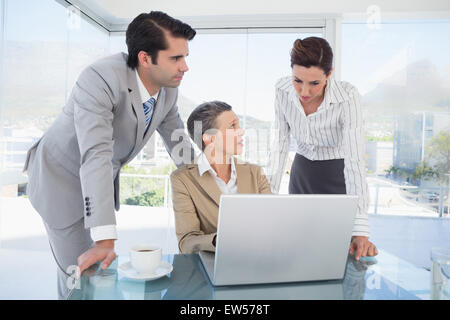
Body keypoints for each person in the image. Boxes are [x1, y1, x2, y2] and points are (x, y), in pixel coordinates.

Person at [22, 11, 196, 299]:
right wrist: (104, 239)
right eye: (176, 58)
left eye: (186, 56)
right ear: (145, 58)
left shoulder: (167, 91)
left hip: (96, 178)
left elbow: (179, 142)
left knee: (94, 276)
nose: (185, 67)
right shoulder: (99, 78)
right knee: (79, 276)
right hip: (60, 180)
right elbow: (96, 153)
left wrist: (211, 187)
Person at [267, 37, 378, 260]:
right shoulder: (282, 90)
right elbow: (278, 145)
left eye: (314, 83)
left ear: (329, 74)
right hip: (302, 173)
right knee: (299, 249)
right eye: (298, 80)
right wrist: (265, 200)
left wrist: (360, 229)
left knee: (338, 254)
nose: (304, 91)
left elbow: (355, 159)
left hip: (338, 175)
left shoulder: (347, 96)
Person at [171, 101, 272, 254]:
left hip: (259, 257)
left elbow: (272, 223)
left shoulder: (255, 173)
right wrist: (221, 240)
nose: (241, 131)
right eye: (233, 126)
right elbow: (186, 243)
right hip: (214, 264)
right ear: (209, 138)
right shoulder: (183, 179)